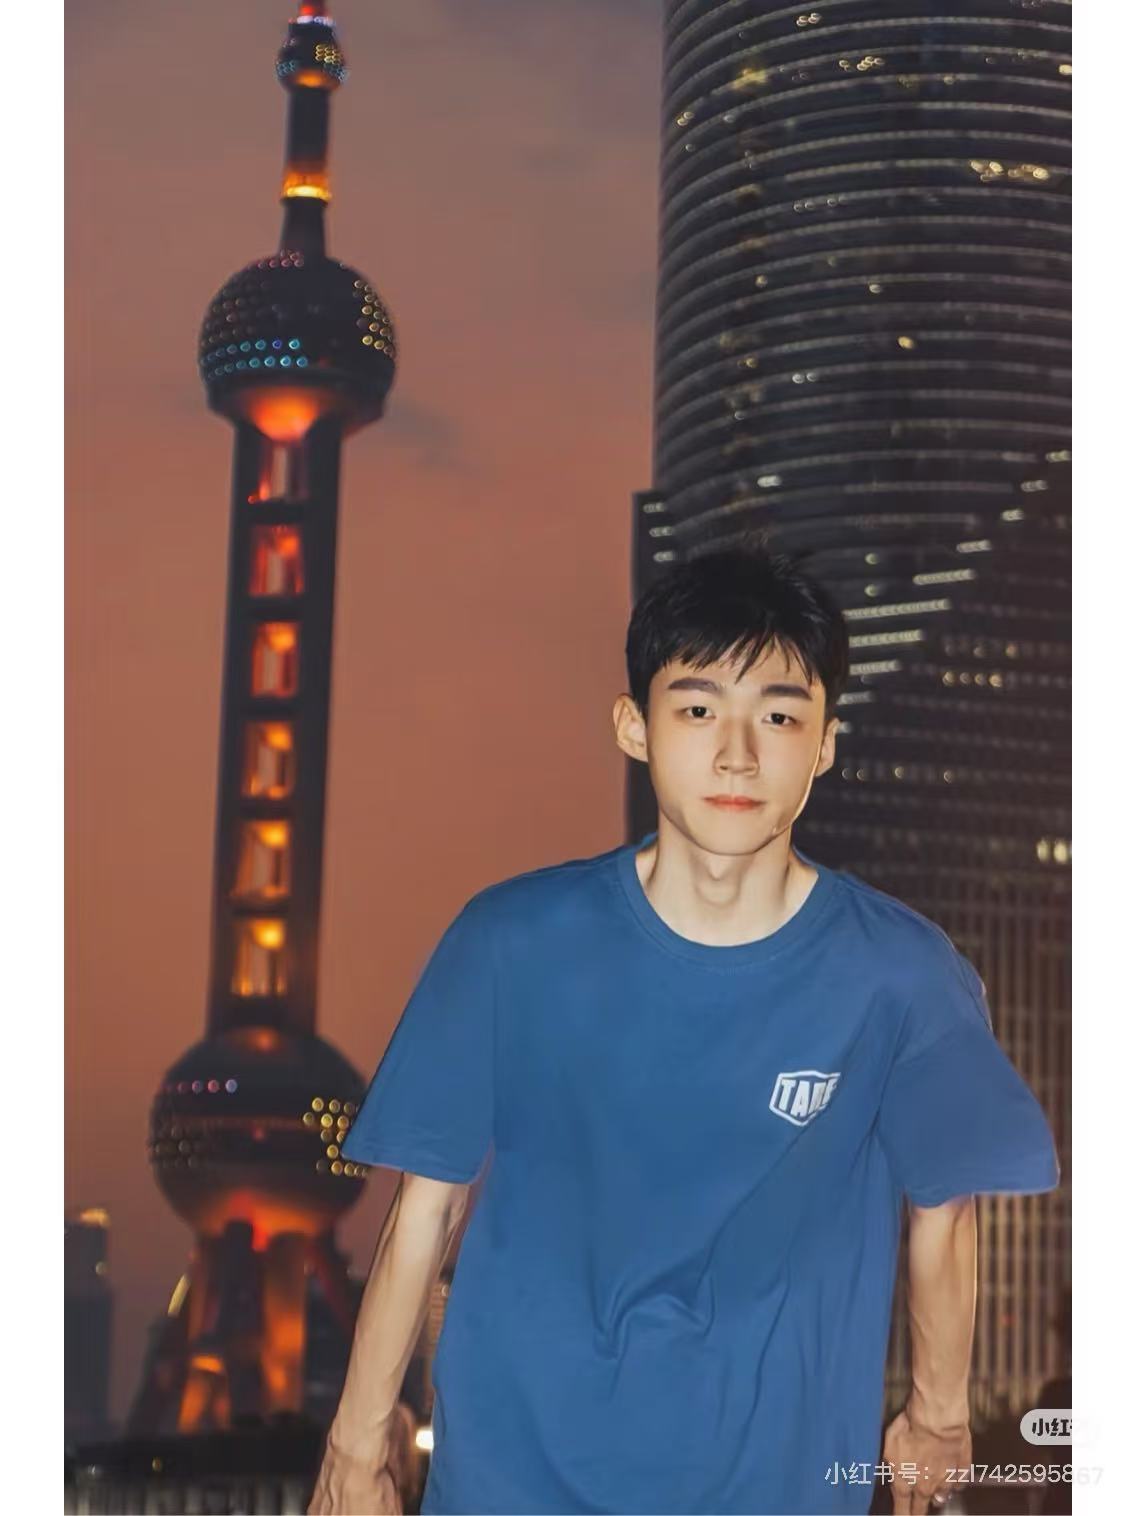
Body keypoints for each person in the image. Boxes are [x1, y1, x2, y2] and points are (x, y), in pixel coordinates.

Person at [308, 541, 1059, 1516]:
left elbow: (943, 1205)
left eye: (778, 716)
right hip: (513, 1477)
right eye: (698, 709)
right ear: (634, 726)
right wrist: (355, 1444)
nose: (737, 754)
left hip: (776, 1482)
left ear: (825, 743)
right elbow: (425, 1208)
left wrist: (941, 1412)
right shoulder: (509, 941)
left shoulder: (900, 974)